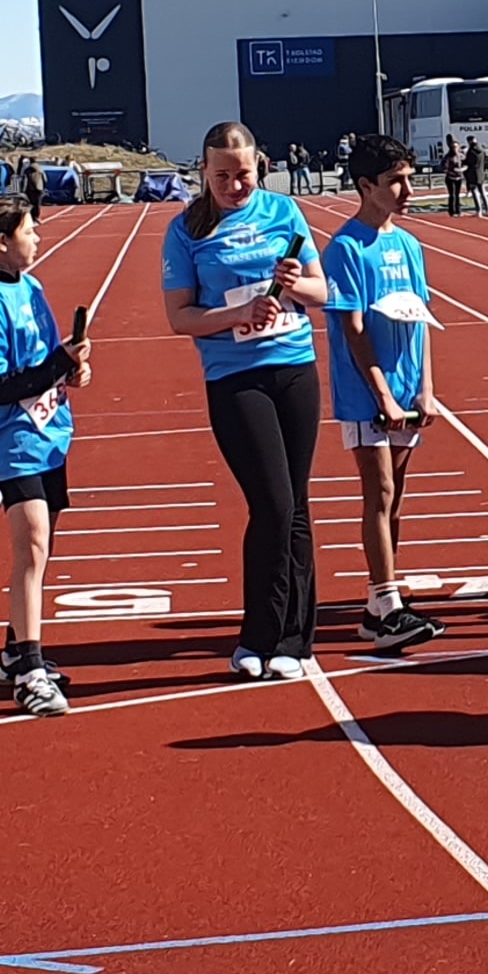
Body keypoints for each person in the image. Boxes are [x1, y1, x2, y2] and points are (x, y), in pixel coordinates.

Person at [164, 120, 330, 676]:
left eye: (244, 175)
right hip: (236, 378)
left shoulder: (284, 212)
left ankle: (294, 640)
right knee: (272, 504)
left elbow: (320, 290)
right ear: (204, 172)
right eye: (222, 177)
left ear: (260, 166)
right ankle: (257, 635)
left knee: (296, 506)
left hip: (295, 369)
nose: (235, 186)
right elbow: (179, 316)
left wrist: (295, 284)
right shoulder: (186, 229)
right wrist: (238, 313)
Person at [0, 193, 86, 715]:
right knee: (30, 544)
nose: (38, 237)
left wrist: (71, 368)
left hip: (49, 431)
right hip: (12, 439)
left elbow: (46, 358)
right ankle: (29, 670)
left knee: (42, 546)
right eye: (30, 230)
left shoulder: (31, 287)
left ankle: (14, 650)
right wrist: (55, 365)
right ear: (3, 243)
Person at [323, 137, 441, 655]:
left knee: (396, 498)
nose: (407, 190)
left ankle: (378, 606)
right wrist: (383, 395)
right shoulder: (346, 249)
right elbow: (352, 330)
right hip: (366, 393)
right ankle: (388, 602)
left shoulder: (410, 245)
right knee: (380, 491)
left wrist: (426, 389)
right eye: (395, 181)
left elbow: (421, 320)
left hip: (407, 388)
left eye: (409, 179)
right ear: (366, 186)